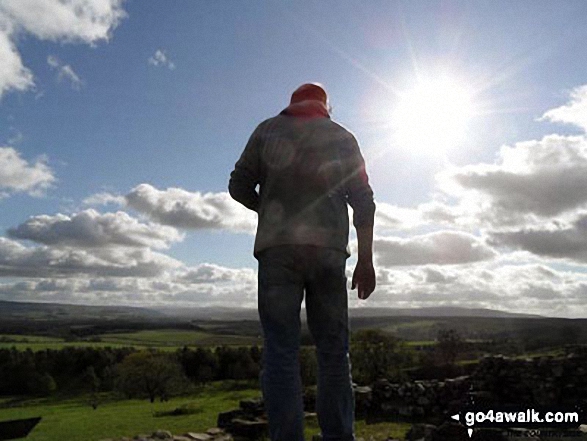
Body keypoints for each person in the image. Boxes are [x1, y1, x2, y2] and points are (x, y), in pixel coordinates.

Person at [229, 83, 376, 441]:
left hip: (277, 251)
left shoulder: (267, 130)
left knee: (280, 351)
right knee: (334, 352)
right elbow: (364, 201)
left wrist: (268, 209)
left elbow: (237, 185)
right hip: (328, 252)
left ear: (292, 104)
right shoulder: (342, 136)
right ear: (326, 106)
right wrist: (366, 260)